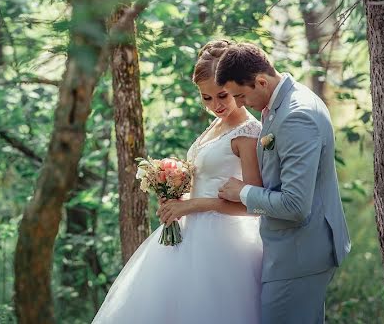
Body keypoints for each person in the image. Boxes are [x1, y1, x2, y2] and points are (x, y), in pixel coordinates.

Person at [92, 40, 264, 323]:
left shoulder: (248, 133)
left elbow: (254, 205)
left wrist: (194, 205)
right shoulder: (215, 126)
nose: (216, 106)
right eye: (206, 98)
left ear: (234, 86)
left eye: (222, 96)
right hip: (189, 234)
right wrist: (177, 199)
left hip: (225, 245)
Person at [216, 42, 351, 324]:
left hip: (299, 252)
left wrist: (243, 192)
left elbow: (294, 205)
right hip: (293, 249)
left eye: (240, 95)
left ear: (261, 81)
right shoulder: (281, 103)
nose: (239, 104)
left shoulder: (296, 116)